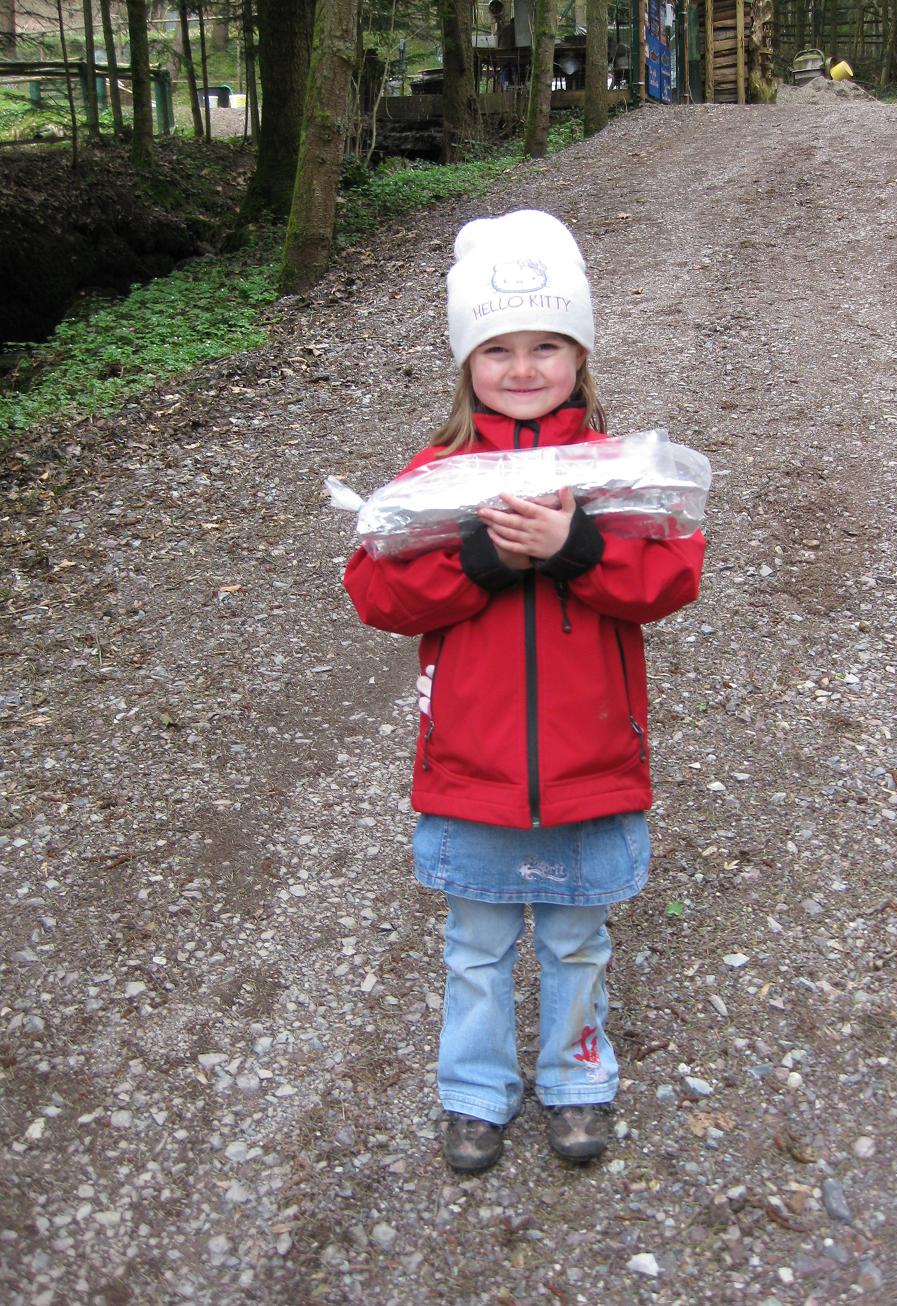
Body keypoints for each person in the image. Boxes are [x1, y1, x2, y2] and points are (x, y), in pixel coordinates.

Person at [344, 210, 706, 1173]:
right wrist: (481, 561)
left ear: (580, 356)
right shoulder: (435, 476)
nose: (521, 367)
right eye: (497, 349)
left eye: (546, 345)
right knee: (477, 944)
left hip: (592, 760)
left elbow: (672, 577)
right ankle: (473, 1091)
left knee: (578, 940)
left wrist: (575, 547)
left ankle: (578, 1080)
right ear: (466, 362)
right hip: (475, 767)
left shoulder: (620, 471)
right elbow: (374, 592)